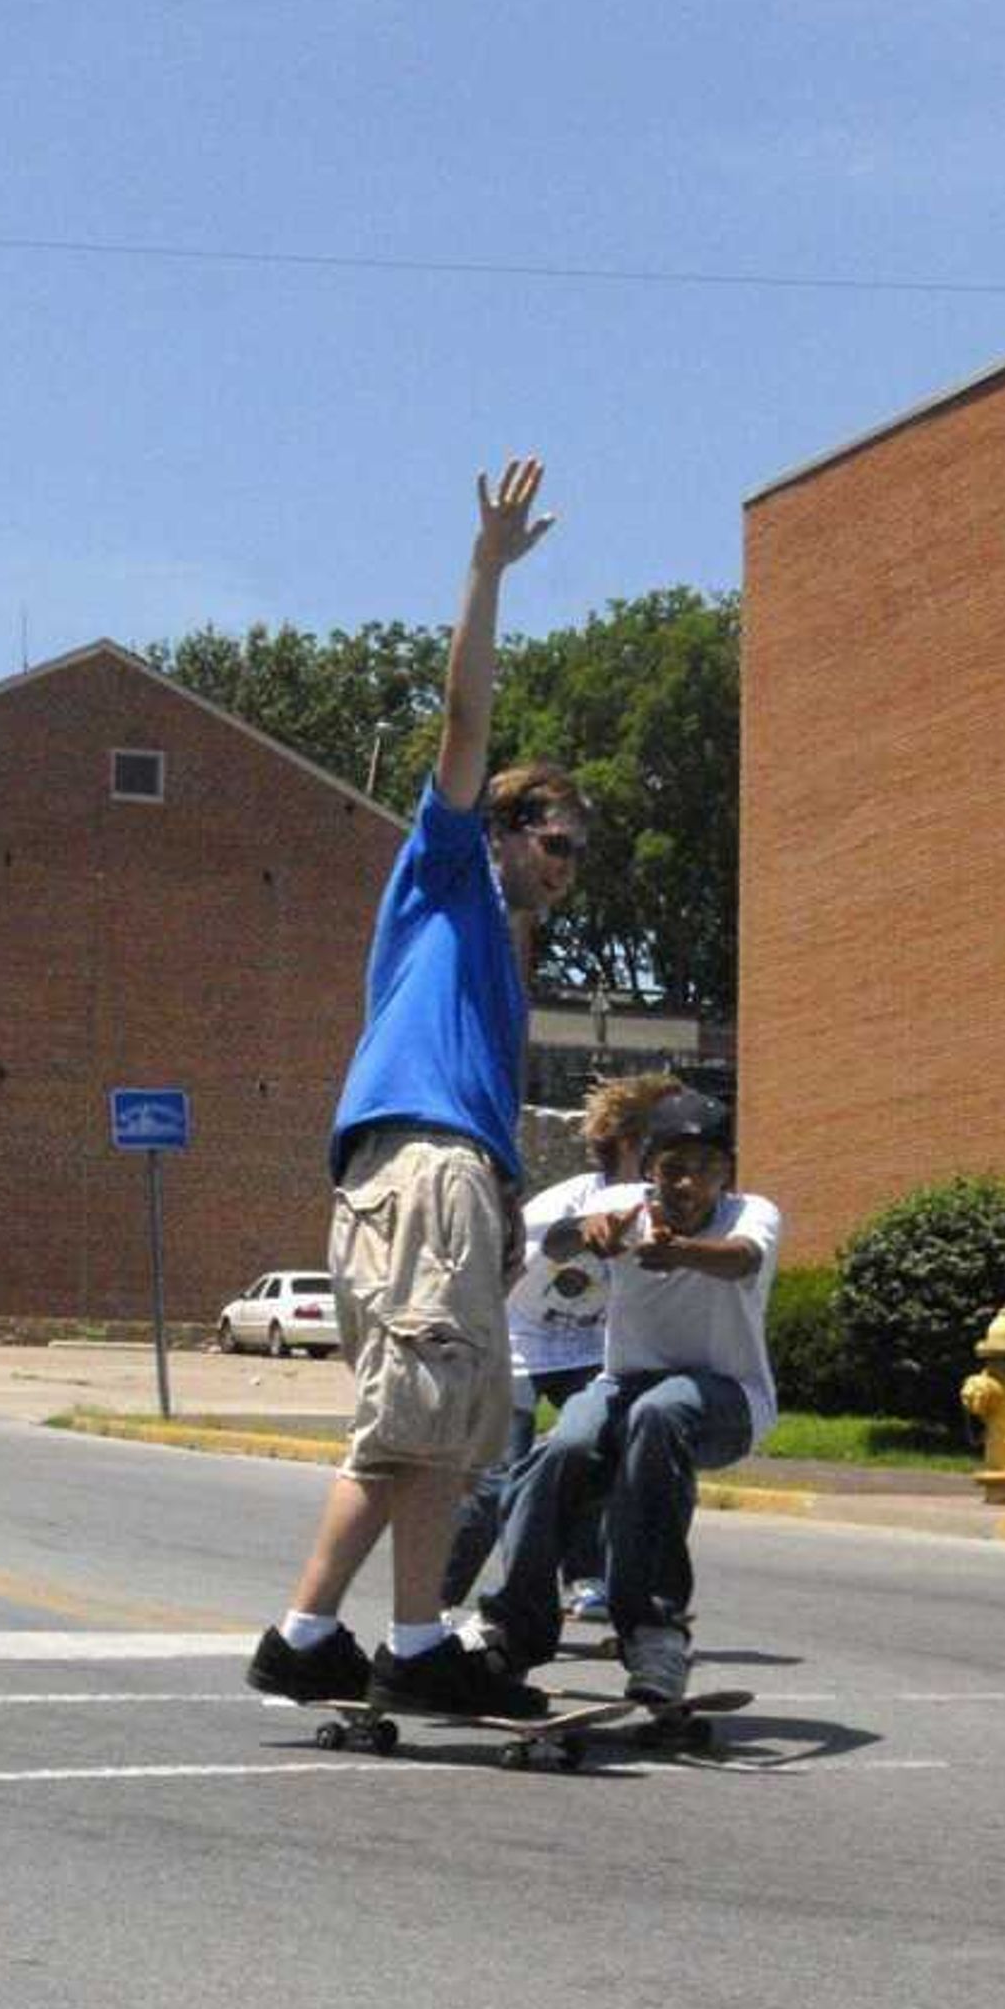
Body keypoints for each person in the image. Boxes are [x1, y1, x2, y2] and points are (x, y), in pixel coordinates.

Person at [245, 459, 588, 1720]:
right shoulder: (444, 869)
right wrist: (487, 572)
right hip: (422, 1168)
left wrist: (499, 1202)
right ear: (503, 828)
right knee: (412, 1422)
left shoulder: (499, 950)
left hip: (456, 1182)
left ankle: (415, 1640)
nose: (569, 864)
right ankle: (302, 1630)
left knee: (451, 1423)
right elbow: (464, 719)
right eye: (557, 840)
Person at [474, 1090, 780, 1704]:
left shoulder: (753, 1214)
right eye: (673, 1169)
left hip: (730, 1398)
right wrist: (583, 1236)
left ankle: (654, 1634)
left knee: (659, 1413)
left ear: (727, 1174)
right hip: (624, 1385)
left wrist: (678, 1253)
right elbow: (555, 1246)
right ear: (649, 1171)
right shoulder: (623, 1206)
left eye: (706, 1169)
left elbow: (742, 1261)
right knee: (561, 1449)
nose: (689, 1185)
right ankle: (515, 1629)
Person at [437, 1069, 674, 1615]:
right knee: (497, 1477)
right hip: (514, 1342)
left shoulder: (660, 1202)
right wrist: (588, 1228)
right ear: (632, 1144)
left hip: (586, 1349)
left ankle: (586, 1576)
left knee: (592, 1455)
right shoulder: (562, 1204)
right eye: (663, 1141)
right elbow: (559, 1241)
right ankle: (439, 1600)